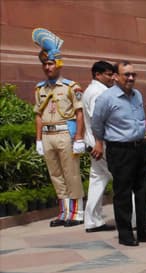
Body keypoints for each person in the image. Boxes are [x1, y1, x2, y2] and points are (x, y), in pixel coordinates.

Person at [91, 61, 146, 247]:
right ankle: (125, 234)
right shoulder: (106, 98)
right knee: (123, 194)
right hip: (120, 150)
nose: (131, 78)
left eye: (133, 74)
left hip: (139, 148)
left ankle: (145, 230)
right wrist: (99, 143)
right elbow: (96, 123)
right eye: (127, 75)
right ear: (116, 76)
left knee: (142, 192)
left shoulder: (137, 95)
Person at [32, 27, 86, 227]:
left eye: (51, 63)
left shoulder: (71, 87)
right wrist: (38, 140)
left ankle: (77, 212)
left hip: (65, 132)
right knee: (55, 175)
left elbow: (80, 113)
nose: (48, 67)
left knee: (71, 173)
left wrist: (79, 137)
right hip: (48, 134)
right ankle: (64, 212)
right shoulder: (40, 89)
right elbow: (38, 115)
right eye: (45, 64)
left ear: (58, 64)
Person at [81, 60, 116, 233]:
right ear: (97, 75)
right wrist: (99, 143)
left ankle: (92, 221)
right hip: (101, 144)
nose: (112, 78)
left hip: (95, 142)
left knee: (98, 179)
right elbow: (98, 119)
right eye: (109, 75)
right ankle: (134, 219)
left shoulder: (94, 90)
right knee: (124, 178)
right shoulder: (97, 92)